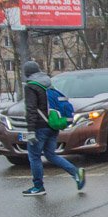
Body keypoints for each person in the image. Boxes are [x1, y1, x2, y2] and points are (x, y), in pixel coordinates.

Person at [21, 60, 86, 196]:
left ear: (26, 73)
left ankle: (38, 187)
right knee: (50, 155)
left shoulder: (31, 87)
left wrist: (31, 130)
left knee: (34, 156)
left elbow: (31, 109)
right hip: (52, 125)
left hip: (39, 127)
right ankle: (76, 173)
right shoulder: (48, 84)